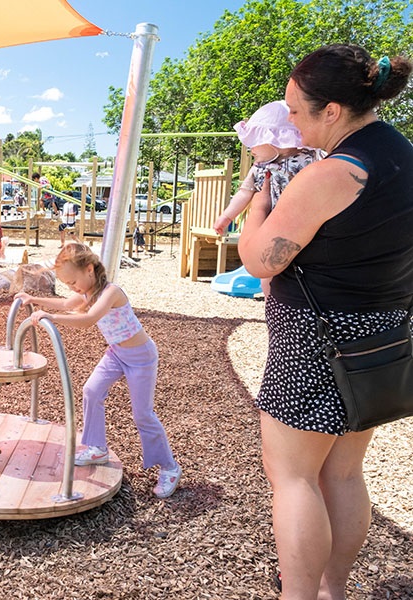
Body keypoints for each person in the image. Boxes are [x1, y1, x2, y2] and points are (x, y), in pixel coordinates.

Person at [237, 45, 413, 598]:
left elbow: (259, 259)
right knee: (342, 474)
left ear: (332, 110)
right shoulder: (401, 158)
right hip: (375, 341)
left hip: (314, 340)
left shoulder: (335, 173)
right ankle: (334, 590)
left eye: (294, 109)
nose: (288, 120)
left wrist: (257, 209)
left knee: (292, 479)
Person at [15, 243, 180, 498]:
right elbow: (65, 302)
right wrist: (33, 299)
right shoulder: (87, 291)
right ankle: (96, 447)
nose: (73, 288)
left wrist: (51, 317)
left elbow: (88, 319)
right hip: (117, 353)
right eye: (68, 284)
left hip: (141, 357)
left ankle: (169, 467)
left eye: (73, 281)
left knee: (142, 415)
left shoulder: (111, 292)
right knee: (91, 390)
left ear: (89, 269)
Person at [214, 101, 319, 236]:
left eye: (254, 142)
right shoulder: (258, 168)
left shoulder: (308, 158)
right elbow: (244, 193)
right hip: (271, 226)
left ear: (275, 140)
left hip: (304, 223)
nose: (251, 151)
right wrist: (227, 216)